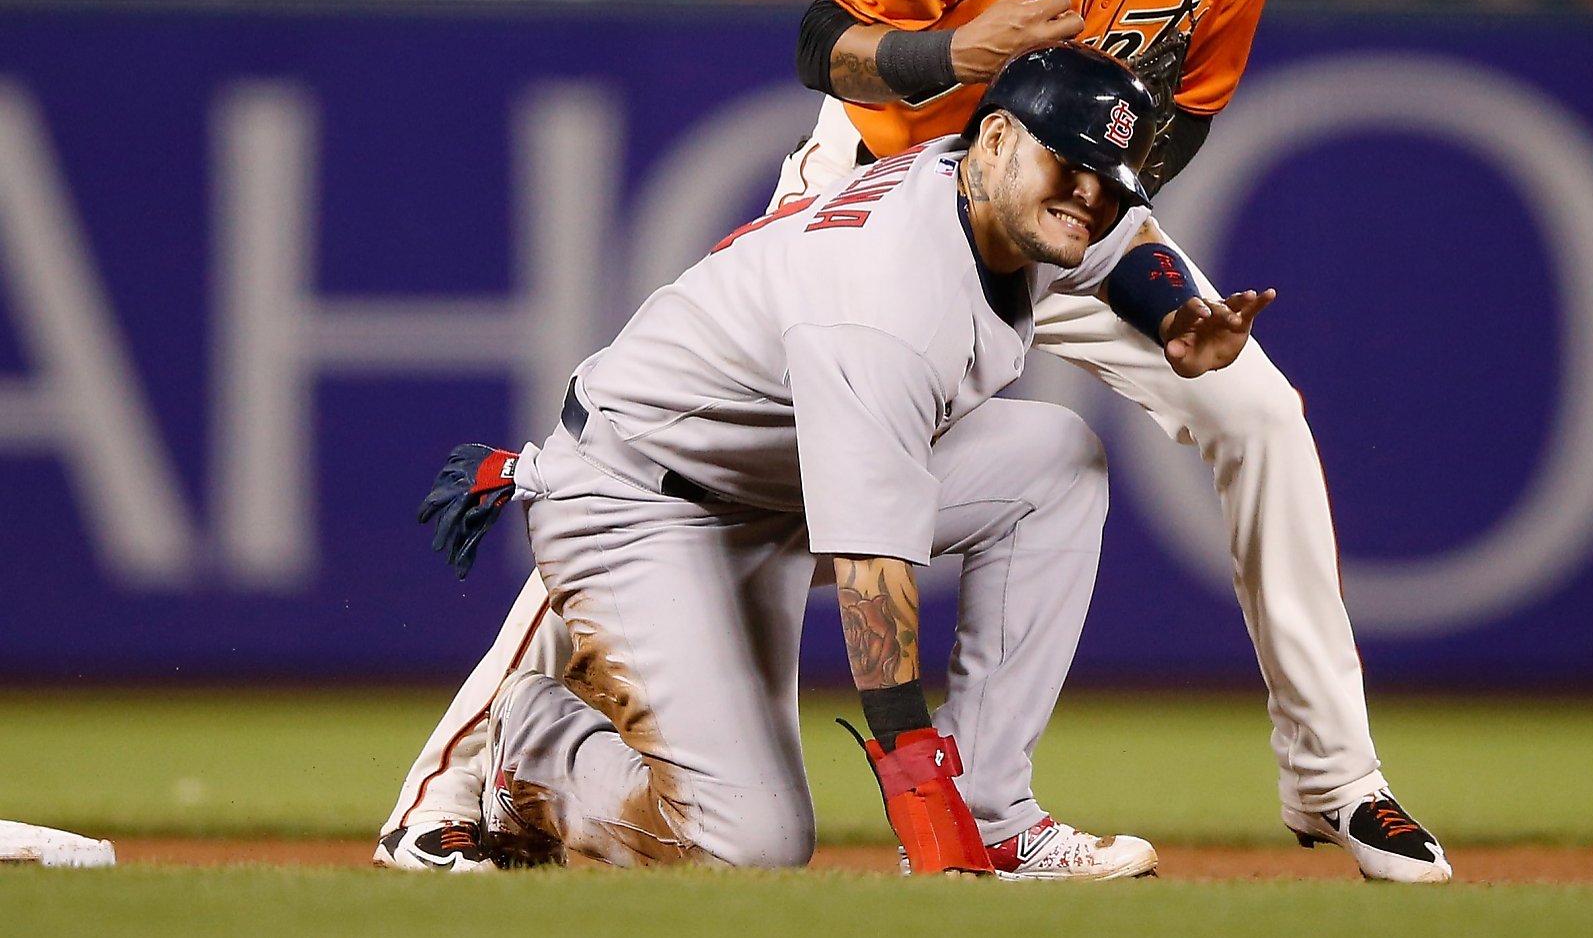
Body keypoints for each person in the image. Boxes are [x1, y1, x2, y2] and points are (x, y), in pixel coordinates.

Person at [379, 0, 1452, 885]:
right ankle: (461, 774)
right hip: (884, 190)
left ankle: (1335, 777)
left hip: (1058, 207)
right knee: (673, 452)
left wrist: (1135, 275)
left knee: (1253, 403)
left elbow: (1173, 129)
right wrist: (957, 55)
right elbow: (821, 38)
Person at [415, 44, 1272, 874]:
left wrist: (1173, 316)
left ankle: (994, 815)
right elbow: (871, 569)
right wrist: (913, 780)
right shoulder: (890, 296)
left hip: (767, 485)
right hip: (643, 505)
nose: (1088, 196)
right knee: (746, 843)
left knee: (1054, 461)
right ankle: (532, 746)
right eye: (1071, 167)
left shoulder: (996, 190)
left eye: (1107, 181)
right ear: (1001, 137)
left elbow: (1124, 245)